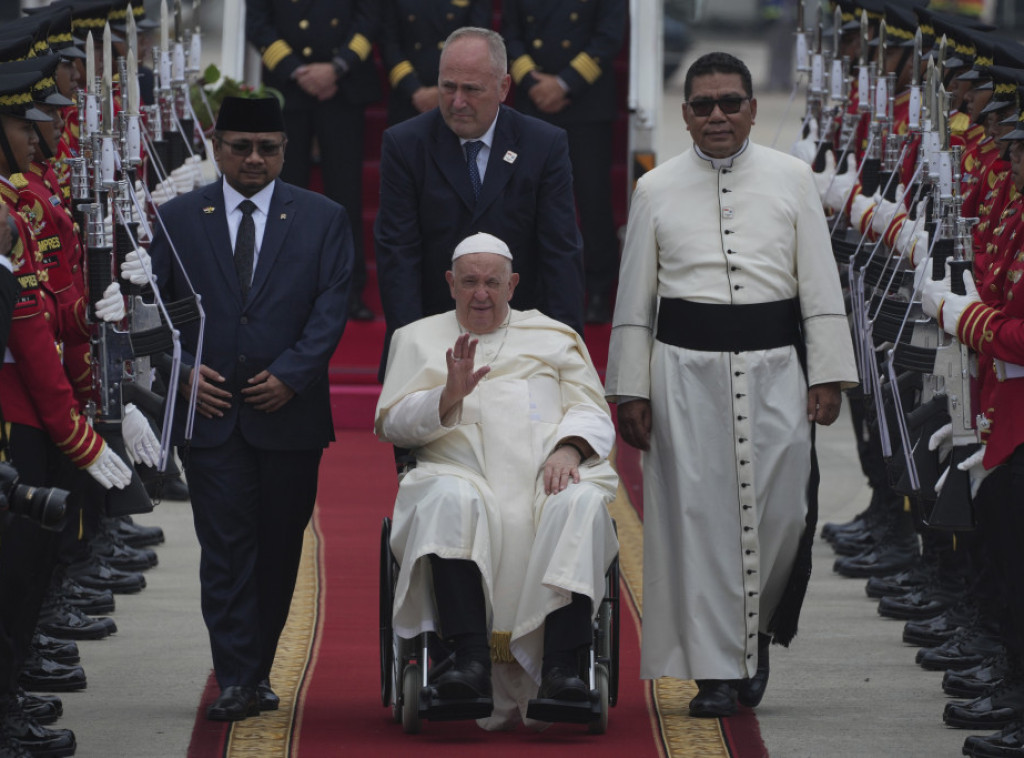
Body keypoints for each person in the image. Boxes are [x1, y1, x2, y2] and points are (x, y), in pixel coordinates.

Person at [604, 52, 858, 718]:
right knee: (699, 523)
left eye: (730, 102)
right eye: (703, 105)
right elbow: (636, 297)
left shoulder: (793, 179)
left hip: (777, 367)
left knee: (786, 516)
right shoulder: (655, 189)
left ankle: (756, 632)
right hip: (684, 373)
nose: (717, 115)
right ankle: (718, 668)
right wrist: (630, 389)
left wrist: (828, 372)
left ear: (751, 107)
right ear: (685, 114)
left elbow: (818, 281)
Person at [147, 96, 353, 722]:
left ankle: (257, 669)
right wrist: (179, 375)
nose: (255, 159)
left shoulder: (322, 217)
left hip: (288, 415)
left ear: (286, 150)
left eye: (268, 147)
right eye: (241, 146)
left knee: (278, 545)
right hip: (210, 415)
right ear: (216, 145)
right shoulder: (179, 218)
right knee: (227, 549)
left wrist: (293, 374)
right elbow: (153, 306)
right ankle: (237, 676)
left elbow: (332, 303)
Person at [375, 232, 618, 729]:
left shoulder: (554, 337)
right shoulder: (417, 337)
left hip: (547, 477)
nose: (480, 293)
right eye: (469, 282)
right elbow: (392, 424)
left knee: (579, 504)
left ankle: (561, 669)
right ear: (450, 283)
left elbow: (593, 412)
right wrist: (447, 395)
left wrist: (569, 448)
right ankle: (468, 662)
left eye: (491, 282)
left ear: (513, 284)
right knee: (448, 499)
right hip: (456, 471)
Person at [374, 26, 585, 380]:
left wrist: (564, 351)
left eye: (471, 89)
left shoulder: (543, 145)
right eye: (448, 87)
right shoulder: (405, 145)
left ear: (503, 88)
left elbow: (560, 253)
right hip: (431, 338)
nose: (457, 102)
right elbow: (398, 253)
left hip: (522, 344)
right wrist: (411, 347)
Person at [245, 0, 378, 322]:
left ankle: (348, 291)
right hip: (289, 89)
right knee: (284, 198)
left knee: (345, 195)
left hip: (343, 88)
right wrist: (295, 69)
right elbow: (258, 22)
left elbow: (370, 17)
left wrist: (337, 67)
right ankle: (286, 292)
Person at [502, 0, 625, 324]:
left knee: (592, 199)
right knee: (526, 200)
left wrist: (564, 83)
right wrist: (531, 82)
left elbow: (609, 36)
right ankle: (528, 283)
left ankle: (598, 289)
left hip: (587, 102)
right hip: (533, 102)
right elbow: (511, 35)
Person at [381, 0, 492, 126]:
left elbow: (478, 41)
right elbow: (389, 45)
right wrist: (415, 90)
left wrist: (446, 89)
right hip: (409, 95)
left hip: (459, 98)